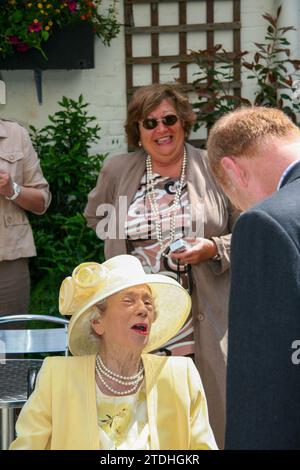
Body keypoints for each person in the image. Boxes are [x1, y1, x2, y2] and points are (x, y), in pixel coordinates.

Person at [84, 83, 238, 448]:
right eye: (148, 123)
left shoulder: (214, 167)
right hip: (138, 318)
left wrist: (213, 248)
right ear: (137, 132)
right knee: (140, 420)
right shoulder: (118, 169)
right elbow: (96, 217)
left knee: (204, 413)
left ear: (184, 122)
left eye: (169, 119)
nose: (160, 129)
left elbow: (248, 232)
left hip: (200, 316)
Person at [10, 254, 217, 450]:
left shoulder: (181, 375)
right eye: (129, 300)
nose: (143, 310)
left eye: (148, 302)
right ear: (98, 322)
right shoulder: (57, 376)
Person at [207, 106, 300, 450]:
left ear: (233, 170)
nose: (243, 209)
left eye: (235, 201)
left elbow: (263, 378)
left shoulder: (267, 223)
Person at [0, 119, 51, 318]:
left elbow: (42, 202)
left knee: (9, 342)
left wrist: (11, 189)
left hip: (7, 262)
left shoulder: (15, 134)